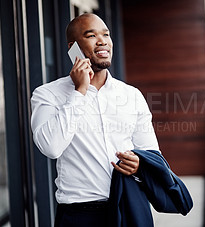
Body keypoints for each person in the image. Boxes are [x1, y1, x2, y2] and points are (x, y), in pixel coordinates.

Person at [30, 13, 160, 226]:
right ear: (73, 48)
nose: (102, 41)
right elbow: (51, 147)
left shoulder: (132, 95)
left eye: (106, 34)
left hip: (131, 207)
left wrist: (140, 165)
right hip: (80, 214)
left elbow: (151, 153)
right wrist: (80, 91)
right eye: (91, 35)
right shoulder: (47, 94)